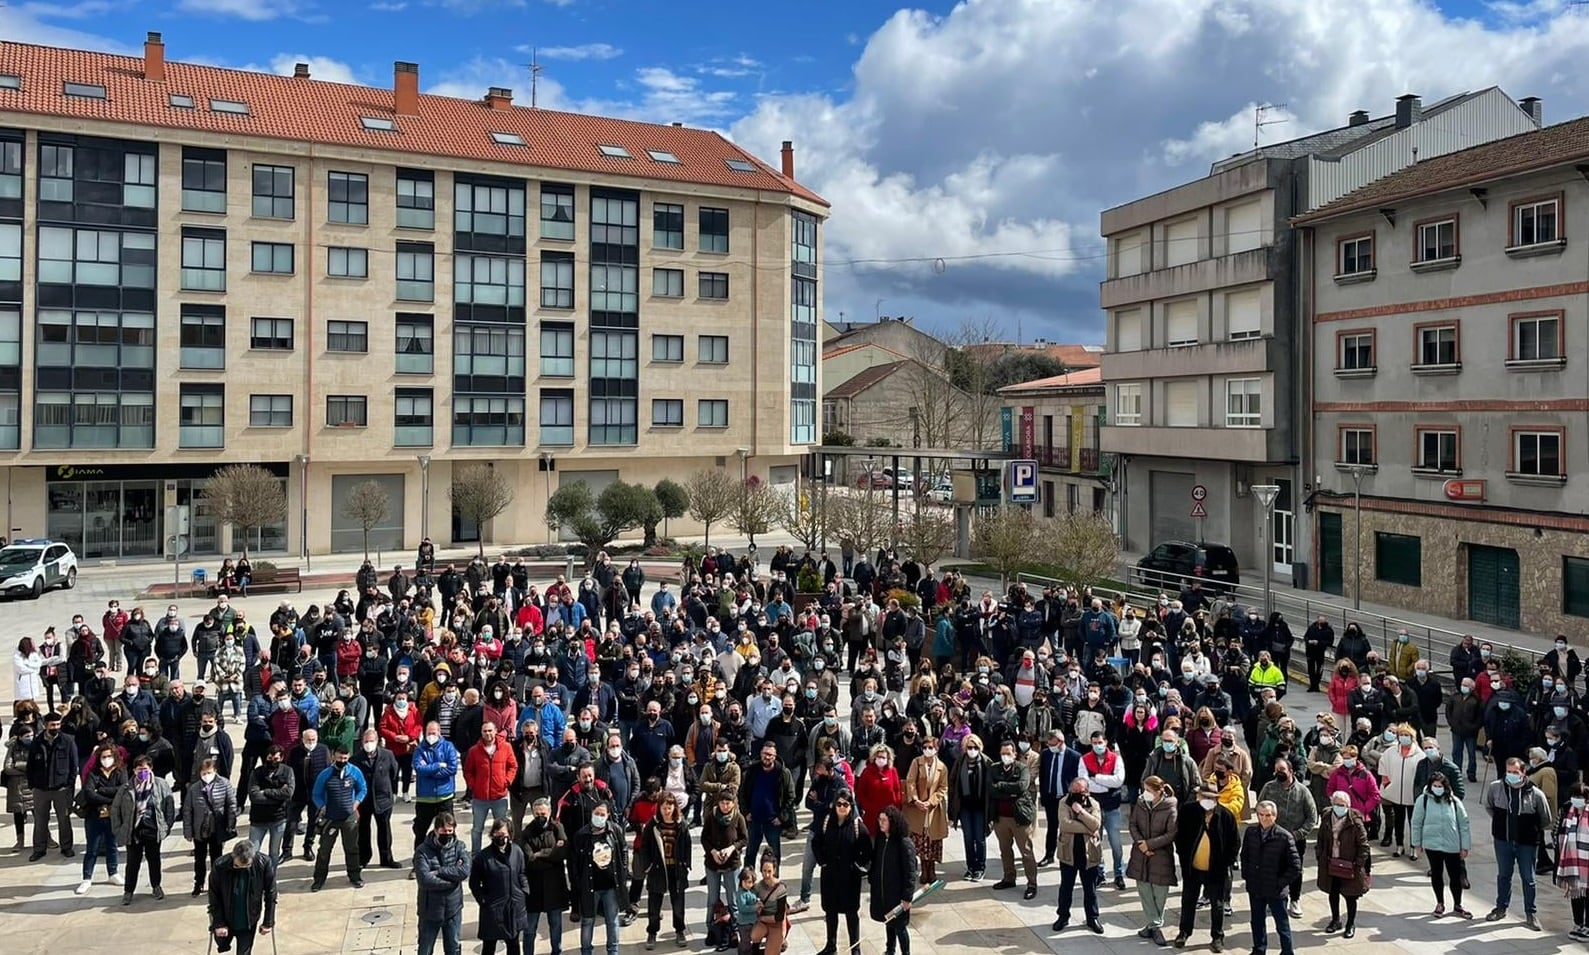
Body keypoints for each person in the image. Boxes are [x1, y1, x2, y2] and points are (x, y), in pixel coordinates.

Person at [1484, 755, 1553, 931]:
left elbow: (1545, 818)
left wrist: (1530, 830)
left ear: (1523, 773)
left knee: (1528, 878)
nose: (1511, 775)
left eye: (1515, 772)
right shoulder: (1496, 788)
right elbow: (1490, 807)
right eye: (1508, 772)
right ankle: (1501, 908)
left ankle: (1530, 913)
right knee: (1503, 875)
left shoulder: (1536, 794)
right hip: (1503, 841)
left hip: (1527, 844)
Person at [1173, 782, 1238, 952]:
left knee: (1217, 905)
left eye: (1211, 798)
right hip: (1192, 869)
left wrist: (1225, 863)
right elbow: (1179, 838)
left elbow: (1234, 844)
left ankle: (1217, 937)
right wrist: (1183, 856)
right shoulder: (1188, 811)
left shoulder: (1226, 816)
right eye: (1204, 797)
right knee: (1188, 901)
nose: (1207, 801)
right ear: (1198, 796)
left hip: (1216, 871)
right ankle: (1184, 932)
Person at [1255, 757, 1317, 918]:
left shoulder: (1302, 791)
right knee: (1272, 869)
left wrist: (1298, 834)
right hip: (1272, 837)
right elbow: (1260, 807)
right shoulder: (1269, 787)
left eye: (1282, 770)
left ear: (1291, 771)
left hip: (1295, 839)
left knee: (1295, 870)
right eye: (1276, 770)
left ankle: (1295, 899)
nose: (1278, 773)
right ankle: (1273, 897)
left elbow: (1312, 817)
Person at [111, 754, 175, 904]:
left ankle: (156, 886)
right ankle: (128, 891)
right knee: (133, 862)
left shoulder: (160, 784)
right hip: (134, 831)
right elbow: (116, 810)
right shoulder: (126, 788)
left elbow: (169, 807)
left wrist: (166, 826)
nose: (142, 772)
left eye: (145, 769)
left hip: (153, 830)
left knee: (154, 860)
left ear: (151, 768)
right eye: (139, 769)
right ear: (134, 770)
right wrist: (119, 830)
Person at [813, 790, 871, 955]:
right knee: (830, 912)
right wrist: (822, 861)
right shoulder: (826, 822)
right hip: (830, 875)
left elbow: (867, 851)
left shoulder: (857, 826)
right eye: (839, 804)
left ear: (851, 806)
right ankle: (831, 946)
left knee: (851, 914)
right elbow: (816, 843)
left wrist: (857, 867)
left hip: (849, 878)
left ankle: (855, 948)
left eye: (846, 804)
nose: (842, 807)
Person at [1241, 801, 1301, 955]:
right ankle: (1259, 949)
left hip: (1276, 890)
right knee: (1257, 921)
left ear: (1274, 816)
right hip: (1256, 887)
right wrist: (1247, 876)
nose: (1264, 818)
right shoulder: (1251, 832)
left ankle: (1287, 951)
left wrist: (1279, 883)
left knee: (1281, 924)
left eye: (1267, 815)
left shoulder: (1284, 837)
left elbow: (1295, 867)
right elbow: (1245, 855)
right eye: (1260, 815)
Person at [1410, 770, 1472, 918]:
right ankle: (1440, 903)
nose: (1437, 788)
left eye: (1440, 785)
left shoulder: (1454, 801)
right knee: (1436, 874)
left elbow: (1464, 824)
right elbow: (1416, 822)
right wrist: (1416, 844)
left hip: (1452, 845)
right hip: (1432, 845)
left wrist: (1465, 846)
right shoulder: (1423, 800)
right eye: (1435, 785)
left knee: (1455, 876)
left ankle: (1458, 904)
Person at [569, 800, 627, 955]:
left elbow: (624, 849)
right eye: (597, 813)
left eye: (603, 814)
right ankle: (586, 951)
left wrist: (624, 869)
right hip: (590, 887)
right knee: (587, 921)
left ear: (608, 815)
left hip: (610, 886)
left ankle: (613, 951)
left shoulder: (615, 830)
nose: (599, 817)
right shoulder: (581, 835)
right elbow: (573, 862)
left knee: (612, 921)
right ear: (592, 813)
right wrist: (577, 883)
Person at [1127, 774, 1177, 945]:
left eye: (1148, 790)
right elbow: (1132, 824)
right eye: (1144, 790)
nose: (1145, 793)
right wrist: (1141, 843)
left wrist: (1149, 845)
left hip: (1160, 855)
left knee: (1159, 892)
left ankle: (1152, 925)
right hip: (1140, 855)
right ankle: (1155, 925)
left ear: (1158, 791)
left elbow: (1171, 833)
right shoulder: (1141, 804)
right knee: (1144, 891)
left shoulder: (1170, 807)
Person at [310, 744, 368, 891]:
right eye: (340, 757)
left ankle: (355, 876)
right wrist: (322, 806)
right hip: (331, 818)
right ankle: (319, 879)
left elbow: (363, 788)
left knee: (352, 848)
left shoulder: (354, 771)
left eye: (345, 758)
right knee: (324, 850)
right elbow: (316, 793)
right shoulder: (325, 774)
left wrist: (357, 803)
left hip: (349, 817)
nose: (342, 760)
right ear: (334, 756)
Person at [1051, 777, 1104, 934]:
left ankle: (1092, 918)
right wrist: (1087, 829)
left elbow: (1096, 824)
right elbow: (1065, 824)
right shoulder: (1063, 803)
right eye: (1073, 791)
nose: (1076, 794)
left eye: (1079, 792)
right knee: (1066, 887)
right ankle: (1063, 916)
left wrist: (1080, 812)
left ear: (1086, 791)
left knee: (1090, 889)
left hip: (1089, 853)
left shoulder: (1094, 804)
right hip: (1069, 852)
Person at [638, 793, 691, 949]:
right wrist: (647, 866)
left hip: (677, 869)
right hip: (658, 869)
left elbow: (687, 845)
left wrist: (686, 865)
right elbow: (644, 847)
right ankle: (652, 932)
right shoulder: (652, 825)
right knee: (654, 904)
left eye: (669, 807)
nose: (667, 811)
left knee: (678, 903)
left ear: (674, 807)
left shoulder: (682, 825)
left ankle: (680, 930)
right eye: (663, 807)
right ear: (659, 808)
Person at [470, 817, 531, 955]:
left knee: (513, 945)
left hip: (514, 907)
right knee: (489, 945)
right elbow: (474, 883)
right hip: (493, 909)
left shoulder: (517, 851)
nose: (500, 837)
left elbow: (522, 873)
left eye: (503, 834)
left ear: (509, 834)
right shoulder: (483, 857)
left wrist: (524, 891)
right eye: (497, 834)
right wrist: (483, 900)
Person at [208, 839, 278, 955]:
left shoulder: (264, 863)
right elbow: (214, 896)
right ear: (233, 855)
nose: (242, 868)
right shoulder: (220, 865)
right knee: (222, 944)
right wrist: (219, 923)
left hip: (248, 920)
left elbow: (271, 894)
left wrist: (268, 921)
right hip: (226, 917)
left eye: (247, 866)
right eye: (237, 866)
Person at [989, 738, 1039, 899]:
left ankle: (1032, 883)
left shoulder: (1022, 768)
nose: (1005, 756)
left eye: (1008, 753)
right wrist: (1008, 788)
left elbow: (1022, 786)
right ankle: (1009, 878)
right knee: (1005, 850)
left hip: (1019, 817)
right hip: (1001, 817)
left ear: (1014, 754)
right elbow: (991, 788)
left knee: (1026, 851)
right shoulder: (995, 768)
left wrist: (1002, 786)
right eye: (1003, 753)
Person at [520, 797, 570, 955]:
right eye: (537, 814)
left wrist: (541, 853)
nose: (540, 816)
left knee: (555, 927)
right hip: (534, 888)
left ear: (549, 812)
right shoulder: (527, 832)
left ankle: (557, 952)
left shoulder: (557, 828)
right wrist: (551, 856)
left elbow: (562, 853)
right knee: (529, 930)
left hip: (554, 887)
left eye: (543, 813)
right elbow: (529, 860)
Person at [1317, 790, 1370, 938]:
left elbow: (1364, 845)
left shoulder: (1355, 822)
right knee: (1333, 893)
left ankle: (1350, 924)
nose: (1339, 807)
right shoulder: (1327, 818)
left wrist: (1358, 864)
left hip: (1349, 865)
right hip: (1331, 863)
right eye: (1336, 804)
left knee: (1350, 896)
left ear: (1348, 805)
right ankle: (1335, 920)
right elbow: (1321, 839)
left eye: (1342, 805)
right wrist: (1320, 856)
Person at [26, 709, 78, 861]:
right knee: (40, 821)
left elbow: (73, 766)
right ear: (45, 725)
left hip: (61, 789)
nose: (55, 727)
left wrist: (69, 786)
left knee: (64, 819)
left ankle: (66, 847)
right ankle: (39, 849)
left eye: (58, 724)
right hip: (41, 789)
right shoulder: (37, 741)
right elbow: (30, 765)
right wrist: (32, 784)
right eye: (52, 724)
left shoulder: (67, 741)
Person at [416, 812, 471, 955]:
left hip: (453, 909)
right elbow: (424, 880)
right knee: (425, 949)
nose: (447, 834)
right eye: (443, 831)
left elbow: (464, 871)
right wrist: (453, 881)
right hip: (430, 911)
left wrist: (439, 871)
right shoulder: (422, 851)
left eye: (450, 831)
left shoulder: (459, 846)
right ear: (435, 830)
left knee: (453, 948)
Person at [184, 756, 238, 897]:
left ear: (215, 771)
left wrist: (230, 823)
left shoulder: (224, 784)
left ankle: (217, 884)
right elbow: (187, 810)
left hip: (217, 828)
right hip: (200, 829)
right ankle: (199, 882)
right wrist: (188, 831)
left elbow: (231, 804)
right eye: (204, 773)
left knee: (217, 858)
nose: (206, 776)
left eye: (209, 772)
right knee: (199, 859)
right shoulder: (194, 789)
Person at [77, 743, 126, 895]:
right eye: (104, 757)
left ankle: (113, 872)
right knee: (92, 848)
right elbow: (90, 794)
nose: (107, 760)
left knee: (112, 845)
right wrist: (108, 797)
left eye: (109, 756)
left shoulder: (120, 771)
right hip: (94, 815)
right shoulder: (93, 774)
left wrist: (102, 791)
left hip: (113, 815)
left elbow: (123, 789)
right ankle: (86, 878)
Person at [738, 740, 796, 865]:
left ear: (775, 756)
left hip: (773, 822)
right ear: (760, 753)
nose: (767, 757)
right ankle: (748, 882)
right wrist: (746, 812)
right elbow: (742, 793)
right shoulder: (752, 770)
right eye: (765, 753)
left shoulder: (783, 773)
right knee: (750, 854)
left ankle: (774, 882)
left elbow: (791, 797)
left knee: (775, 855)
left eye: (770, 754)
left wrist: (781, 817)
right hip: (754, 820)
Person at [702, 791, 749, 947]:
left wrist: (731, 848)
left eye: (728, 803)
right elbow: (704, 838)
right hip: (712, 864)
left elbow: (744, 839)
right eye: (722, 803)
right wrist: (713, 851)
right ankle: (711, 929)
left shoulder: (738, 817)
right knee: (712, 900)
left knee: (733, 900)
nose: (725, 806)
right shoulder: (711, 816)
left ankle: (734, 930)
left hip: (732, 864)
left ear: (733, 804)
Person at [900, 734, 948, 885]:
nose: (927, 750)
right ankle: (924, 868)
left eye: (931, 747)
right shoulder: (916, 762)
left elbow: (943, 787)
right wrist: (915, 800)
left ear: (936, 749)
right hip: (918, 808)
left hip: (933, 809)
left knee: (932, 839)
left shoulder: (942, 767)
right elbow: (910, 782)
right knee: (920, 839)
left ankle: (931, 869)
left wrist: (931, 801)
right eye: (925, 747)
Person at [870, 805, 917, 955]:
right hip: (885, 892)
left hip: (898, 895)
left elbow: (911, 872)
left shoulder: (903, 842)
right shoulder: (881, 839)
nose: (881, 823)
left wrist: (907, 897)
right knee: (888, 922)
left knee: (900, 927)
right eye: (880, 820)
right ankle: (890, 949)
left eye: (884, 820)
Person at [465, 722, 519, 856]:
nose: (487, 734)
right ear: (481, 733)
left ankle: (500, 852)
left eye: (490, 730)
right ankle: (476, 854)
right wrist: (473, 785)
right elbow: (468, 771)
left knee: (501, 829)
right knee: (477, 829)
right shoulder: (474, 750)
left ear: (495, 731)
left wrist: (506, 781)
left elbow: (513, 766)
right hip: (479, 798)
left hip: (499, 797)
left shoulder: (506, 747)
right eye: (485, 731)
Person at [354, 728, 402, 869]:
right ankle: (363, 858)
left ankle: (386, 858)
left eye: (371, 741)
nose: (369, 744)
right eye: (366, 741)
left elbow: (394, 773)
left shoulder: (388, 755)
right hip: (364, 801)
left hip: (383, 799)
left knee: (384, 830)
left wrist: (392, 792)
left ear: (377, 742)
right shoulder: (355, 759)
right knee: (363, 830)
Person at [1376, 721, 1423, 858]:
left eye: (1406, 735)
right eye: (1401, 735)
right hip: (1395, 793)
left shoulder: (1419, 755)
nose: (1403, 737)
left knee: (1414, 822)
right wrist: (1386, 782)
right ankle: (1399, 845)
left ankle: (1414, 847)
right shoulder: (1391, 752)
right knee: (1399, 821)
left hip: (1412, 795)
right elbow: (1383, 766)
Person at [414, 721, 462, 853]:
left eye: (434, 733)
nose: (431, 735)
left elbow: (452, 768)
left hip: (444, 796)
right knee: (420, 832)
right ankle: (418, 862)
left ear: (439, 733)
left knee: (448, 830)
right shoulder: (419, 749)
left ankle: (451, 858)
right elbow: (419, 769)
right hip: (425, 798)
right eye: (428, 733)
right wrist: (438, 766)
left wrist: (429, 771)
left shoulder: (448, 747)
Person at [947, 732, 989, 881]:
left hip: (979, 807)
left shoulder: (985, 762)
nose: (972, 750)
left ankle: (980, 867)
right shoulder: (960, 762)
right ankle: (971, 867)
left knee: (979, 838)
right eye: (969, 747)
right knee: (968, 838)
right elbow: (952, 785)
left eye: (975, 747)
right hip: (964, 806)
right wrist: (951, 811)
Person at [247, 744, 294, 864]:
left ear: (282, 758)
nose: (272, 761)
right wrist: (278, 797)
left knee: (274, 853)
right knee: (253, 853)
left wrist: (266, 792)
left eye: (276, 759)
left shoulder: (287, 771)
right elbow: (254, 795)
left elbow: (288, 793)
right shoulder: (257, 772)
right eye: (270, 758)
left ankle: (271, 880)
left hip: (278, 819)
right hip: (258, 820)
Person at [1557, 782, 1589, 938]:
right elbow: (1558, 831)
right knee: (1576, 893)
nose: (1577, 800)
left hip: (1586, 861)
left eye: (1580, 797)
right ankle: (1578, 923)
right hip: (1571, 860)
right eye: (1574, 796)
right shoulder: (1566, 810)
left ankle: (1588, 926)